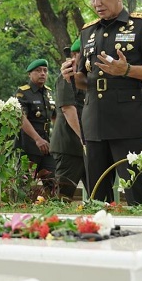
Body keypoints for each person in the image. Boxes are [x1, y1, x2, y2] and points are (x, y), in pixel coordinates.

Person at [62, 0, 142, 205]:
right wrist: (71, 76)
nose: (97, 3)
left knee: (137, 195)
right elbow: (84, 80)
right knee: (96, 198)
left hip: (128, 121)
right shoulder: (88, 31)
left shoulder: (141, 24)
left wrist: (128, 70)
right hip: (94, 121)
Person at [50, 38, 87, 199]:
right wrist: (84, 137)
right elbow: (67, 109)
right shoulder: (66, 77)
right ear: (75, 56)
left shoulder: (86, 79)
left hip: (85, 146)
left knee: (98, 196)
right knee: (62, 197)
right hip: (69, 146)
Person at [15, 59, 57, 178]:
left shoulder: (48, 93)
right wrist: (38, 139)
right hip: (28, 147)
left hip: (46, 146)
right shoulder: (23, 93)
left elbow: (55, 117)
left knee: (53, 182)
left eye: (45, 70)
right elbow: (21, 118)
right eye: (38, 71)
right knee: (25, 183)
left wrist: (55, 139)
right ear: (30, 74)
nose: (42, 73)